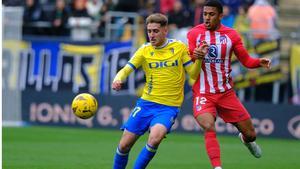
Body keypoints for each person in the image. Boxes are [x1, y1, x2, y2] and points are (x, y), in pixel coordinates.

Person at [187, 1, 271, 169]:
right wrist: (195, 55)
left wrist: (258, 62)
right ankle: (217, 167)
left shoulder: (231, 35)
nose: (207, 18)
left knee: (251, 134)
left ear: (220, 16)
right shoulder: (194, 33)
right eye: (205, 14)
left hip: (226, 93)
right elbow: (189, 58)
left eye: (211, 14)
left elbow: (246, 60)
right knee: (208, 125)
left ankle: (245, 140)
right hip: (203, 92)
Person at [112, 13, 202, 169]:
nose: (151, 35)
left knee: (155, 138)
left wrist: (199, 59)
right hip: (146, 103)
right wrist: (117, 79)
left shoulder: (179, 47)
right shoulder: (144, 50)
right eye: (149, 31)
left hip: (168, 107)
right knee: (124, 145)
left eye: (155, 31)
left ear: (165, 30)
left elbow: (193, 73)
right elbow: (125, 70)